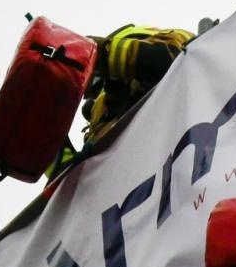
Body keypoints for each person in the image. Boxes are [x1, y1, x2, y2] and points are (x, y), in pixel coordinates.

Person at [42, 24, 195, 178]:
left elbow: (172, 58)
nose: (96, 95)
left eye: (98, 81)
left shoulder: (178, 44)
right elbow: (75, 183)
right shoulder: (100, 124)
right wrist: (41, 131)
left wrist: (101, 54)